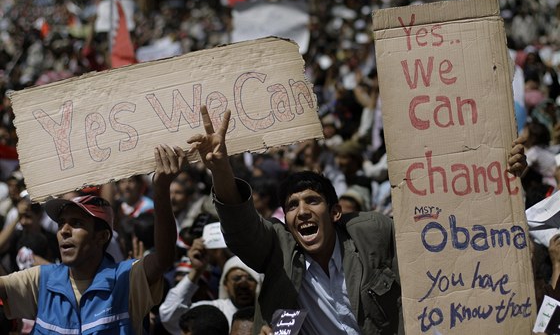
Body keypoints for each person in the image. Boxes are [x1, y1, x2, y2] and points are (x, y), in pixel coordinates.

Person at [186, 106, 528, 334]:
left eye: (312, 201)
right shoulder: (278, 249)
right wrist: (220, 169)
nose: (302, 211)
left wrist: (502, 174)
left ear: (335, 213)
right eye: (292, 206)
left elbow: (447, 238)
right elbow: (243, 229)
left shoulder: (373, 234)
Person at [0, 144, 184, 334]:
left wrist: (161, 189)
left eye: (76, 223)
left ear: (102, 236)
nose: (64, 230)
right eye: (61, 223)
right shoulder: (40, 280)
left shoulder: (126, 280)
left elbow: (164, 258)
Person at [159, 253, 260, 334]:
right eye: (236, 278)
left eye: (250, 278)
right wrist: (196, 271)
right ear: (225, 284)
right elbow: (169, 315)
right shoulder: (213, 312)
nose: (243, 285)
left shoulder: (270, 314)